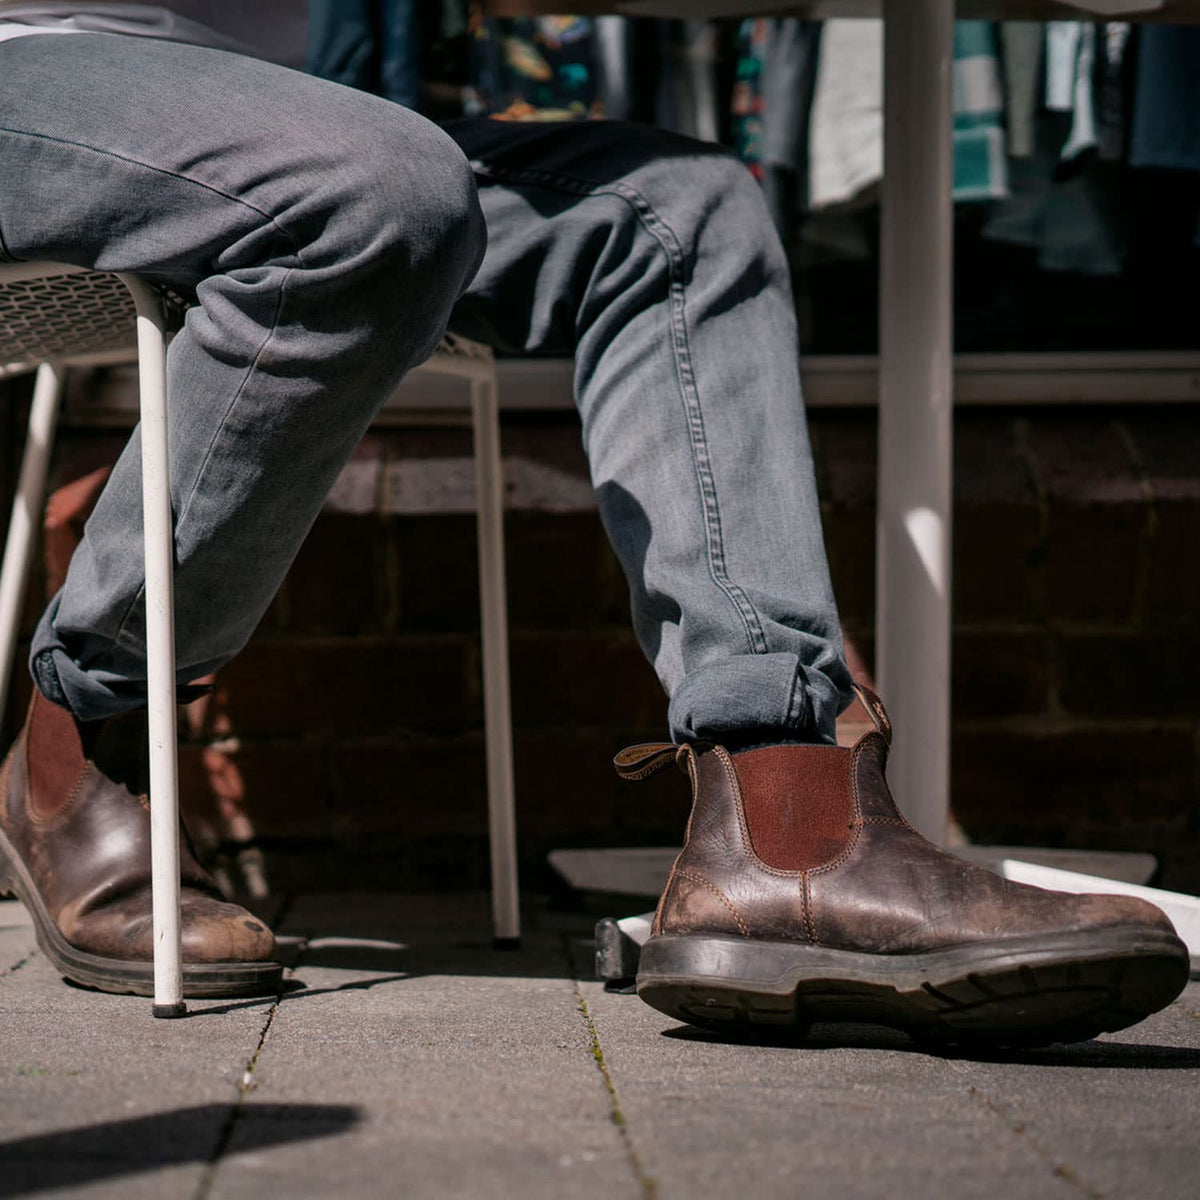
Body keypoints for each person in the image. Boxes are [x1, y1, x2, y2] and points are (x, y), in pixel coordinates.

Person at [0, 4, 1188, 1045]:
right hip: (34, 74)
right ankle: (77, 741)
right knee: (370, 190)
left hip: (287, 105)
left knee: (683, 210)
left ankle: (789, 828)